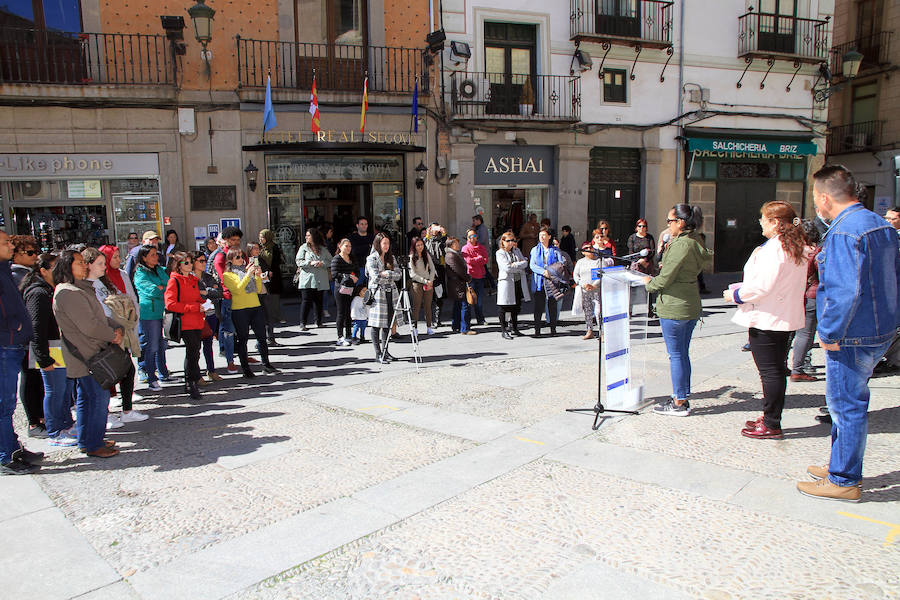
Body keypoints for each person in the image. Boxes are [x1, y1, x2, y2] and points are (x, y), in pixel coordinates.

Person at [796, 165, 900, 502]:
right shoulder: (879, 224)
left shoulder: (843, 233)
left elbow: (843, 291)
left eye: (815, 198)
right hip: (879, 329)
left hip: (852, 334)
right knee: (849, 402)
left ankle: (843, 480)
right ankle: (839, 464)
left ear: (825, 198)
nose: (815, 205)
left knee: (845, 406)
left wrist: (829, 332)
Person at [723, 201, 810, 439]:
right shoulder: (795, 246)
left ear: (774, 222)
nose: (760, 222)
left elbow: (762, 286)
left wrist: (735, 294)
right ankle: (770, 416)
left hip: (768, 318)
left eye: (763, 218)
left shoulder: (775, 248)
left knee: (771, 373)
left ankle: (772, 423)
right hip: (783, 316)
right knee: (776, 370)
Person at [52, 250, 122, 458]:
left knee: (88, 399)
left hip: (91, 352)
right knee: (97, 400)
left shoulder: (80, 288)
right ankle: (93, 443)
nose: (84, 266)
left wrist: (116, 327)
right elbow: (89, 326)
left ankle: (89, 439)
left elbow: (98, 317)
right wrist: (112, 335)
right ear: (67, 267)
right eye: (79, 263)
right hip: (87, 354)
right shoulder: (68, 293)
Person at [643, 204, 712, 416]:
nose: (668, 225)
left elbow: (666, 278)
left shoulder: (682, 244)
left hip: (675, 306)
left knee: (676, 355)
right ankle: (682, 396)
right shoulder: (695, 240)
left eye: (670, 221)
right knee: (682, 354)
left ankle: (679, 402)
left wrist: (648, 283)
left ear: (681, 222)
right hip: (688, 303)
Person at [84, 247, 146, 429]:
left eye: (105, 262)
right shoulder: (85, 285)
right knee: (104, 377)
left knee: (127, 370)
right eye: (100, 264)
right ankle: (106, 415)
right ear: (88, 265)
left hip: (117, 332)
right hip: (102, 336)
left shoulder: (103, 282)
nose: (104, 267)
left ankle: (127, 411)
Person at [22, 253, 77, 447]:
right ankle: (55, 431)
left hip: (59, 346)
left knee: (64, 390)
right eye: (54, 267)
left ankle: (66, 424)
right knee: (55, 391)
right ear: (43, 271)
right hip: (49, 350)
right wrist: (43, 359)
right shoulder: (38, 293)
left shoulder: (51, 290)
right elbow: (36, 328)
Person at [1, 229, 43, 474]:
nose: (10, 245)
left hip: (13, 343)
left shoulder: (5, 270)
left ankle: (12, 447)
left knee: (7, 405)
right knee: (3, 405)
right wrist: (10, 326)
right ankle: (6, 456)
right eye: (6, 242)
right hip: (5, 343)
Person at [223, 248, 280, 378]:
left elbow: (259, 289)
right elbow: (238, 290)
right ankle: (246, 369)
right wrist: (248, 275)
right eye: (237, 257)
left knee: (262, 338)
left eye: (241, 256)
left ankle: (266, 364)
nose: (241, 259)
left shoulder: (247, 271)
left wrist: (258, 276)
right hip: (240, 310)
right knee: (243, 339)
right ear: (231, 260)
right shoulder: (228, 275)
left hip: (255, 307)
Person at [10, 235, 44, 438]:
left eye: (35, 251)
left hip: (33, 334)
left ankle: (40, 417)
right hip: (23, 337)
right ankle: (33, 421)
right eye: (29, 252)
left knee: (38, 376)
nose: (35, 255)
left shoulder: (28, 273)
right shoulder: (14, 275)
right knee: (30, 376)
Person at [165, 251, 206, 399]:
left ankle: (192, 381)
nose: (189, 265)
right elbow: (170, 304)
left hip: (196, 320)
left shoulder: (192, 279)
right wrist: (193, 307)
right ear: (179, 265)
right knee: (192, 351)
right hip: (186, 321)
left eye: (190, 262)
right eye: (186, 262)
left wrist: (204, 303)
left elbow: (195, 298)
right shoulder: (174, 280)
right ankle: (190, 382)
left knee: (195, 351)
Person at [789, 221, 822, 382]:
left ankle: (784, 364)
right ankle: (798, 369)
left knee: (790, 332)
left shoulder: (791, 251)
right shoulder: (814, 253)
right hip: (811, 295)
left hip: (793, 295)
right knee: (806, 333)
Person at [133, 245, 169, 392]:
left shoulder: (159, 269)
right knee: (152, 346)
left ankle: (163, 374)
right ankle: (151, 378)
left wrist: (162, 287)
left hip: (163, 311)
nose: (156, 257)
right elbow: (152, 290)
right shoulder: (140, 272)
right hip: (149, 313)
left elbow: (169, 284)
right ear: (144, 257)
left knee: (162, 345)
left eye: (156, 254)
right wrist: (161, 288)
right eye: (152, 255)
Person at [365, 233, 401, 363]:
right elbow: (375, 277)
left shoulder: (391, 257)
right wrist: (386, 275)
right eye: (384, 243)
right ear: (378, 244)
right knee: (376, 325)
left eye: (388, 243)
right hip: (378, 294)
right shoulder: (371, 258)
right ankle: (378, 353)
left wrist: (386, 273)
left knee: (388, 324)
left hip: (391, 293)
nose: (386, 246)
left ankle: (385, 351)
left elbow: (399, 275)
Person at [212, 227, 243, 372]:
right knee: (229, 330)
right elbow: (224, 278)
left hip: (242, 295)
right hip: (228, 296)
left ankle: (243, 355)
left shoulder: (239, 254)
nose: (236, 242)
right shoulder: (220, 256)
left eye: (237, 240)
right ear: (226, 240)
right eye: (232, 240)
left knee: (241, 329)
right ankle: (230, 360)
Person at [190, 250, 223, 382]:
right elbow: (193, 294)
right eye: (201, 261)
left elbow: (218, 292)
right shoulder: (190, 277)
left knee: (208, 344)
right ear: (194, 262)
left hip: (211, 313)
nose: (204, 263)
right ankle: (197, 375)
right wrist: (208, 291)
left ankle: (211, 370)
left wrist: (205, 291)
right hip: (197, 315)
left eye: (205, 260)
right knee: (195, 347)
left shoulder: (208, 276)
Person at [295, 227, 332, 331]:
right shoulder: (303, 248)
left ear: (314, 236)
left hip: (320, 279)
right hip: (308, 279)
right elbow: (298, 261)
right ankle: (303, 323)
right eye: (306, 235)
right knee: (306, 300)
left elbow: (331, 260)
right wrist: (309, 263)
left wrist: (322, 263)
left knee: (319, 301)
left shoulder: (323, 248)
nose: (306, 237)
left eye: (308, 235)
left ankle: (319, 321)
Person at [529, 226, 563, 337]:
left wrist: (551, 271)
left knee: (552, 305)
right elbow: (532, 265)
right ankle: (537, 330)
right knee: (538, 306)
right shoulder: (535, 250)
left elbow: (560, 264)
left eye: (544, 235)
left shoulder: (555, 250)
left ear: (549, 236)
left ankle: (553, 329)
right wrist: (543, 271)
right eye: (540, 235)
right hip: (539, 281)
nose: (542, 237)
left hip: (552, 281)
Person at [496, 232, 529, 339]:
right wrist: (518, 265)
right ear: (503, 242)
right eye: (508, 241)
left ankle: (514, 328)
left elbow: (525, 262)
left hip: (517, 281)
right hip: (506, 282)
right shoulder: (500, 253)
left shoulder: (516, 250)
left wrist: (516, 265)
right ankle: (503, 330)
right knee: (504, 306)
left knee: (516, 306)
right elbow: (507, 268)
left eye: (513, 240)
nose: (511, 243)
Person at [572, 243, 605, 340]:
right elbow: (576, 275)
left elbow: (602, 274)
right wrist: (582, 284)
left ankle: (602, 332)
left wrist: (594, 285)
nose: (589, 249)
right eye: (586, 248)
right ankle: (589, 330)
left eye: (590, 247)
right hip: (584, 290)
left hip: (596, 290)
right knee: (587, 311)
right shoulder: (580, 262)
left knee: (598, 312)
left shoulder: (598, 261)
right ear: (582, 252)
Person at [331, 238, 359, 346]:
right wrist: (348, 276)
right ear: (340, 246)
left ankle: (348, 334)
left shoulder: (352, 257)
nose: (348, 248)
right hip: (340, 289)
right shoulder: (336, 259)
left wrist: (356, 277)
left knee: (349, 312)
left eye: (350, 246)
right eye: (346, 246)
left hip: (351, 288)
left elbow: (357, 270)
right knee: (341, 312)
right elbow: (334, 274)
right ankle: (340, 337)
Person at [444, 237, 473, 334]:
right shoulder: (450, 255)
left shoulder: (454, 254)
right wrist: (468, 278)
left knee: (458, 305)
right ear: (451, 245)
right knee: (465, 305)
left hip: (457, 283)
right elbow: (458, 270)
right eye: (456, 243)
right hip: (457, 284)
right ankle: (465, 328)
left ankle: (456, 325)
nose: (458, 245)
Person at [461, 229, 489, 327]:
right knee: (470, 300)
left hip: (480, 276)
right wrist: (479, 258)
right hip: (471, 277)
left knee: (479, 300)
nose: (473, 238)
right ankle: (467, 322)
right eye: (470, 236)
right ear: (467, 238)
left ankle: (480, 319)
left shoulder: (481, 247)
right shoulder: (465, 248)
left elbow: (485, 259)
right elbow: (468, 261)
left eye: (474, 236)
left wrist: (476, 260)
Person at [409, 237, 436, 334]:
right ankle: (414, 328)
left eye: (421, 245)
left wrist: (431, 281)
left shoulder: (426, 254)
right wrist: (425, 281)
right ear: (414, 246)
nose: (420, 247)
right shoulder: (411, 257)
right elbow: (412, 274)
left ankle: (429, 327)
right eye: (418, 245)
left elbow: (433, 268)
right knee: (416, 306)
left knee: (428, 306)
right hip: (417, 284)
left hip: (428, 283)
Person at [258, 229, 285, 327]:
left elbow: (277, 261)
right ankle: (266, 316)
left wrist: (270, 271)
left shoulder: (275, 247)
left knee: (274, 297)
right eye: (260, 237)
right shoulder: (259, 247)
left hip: (273, 275)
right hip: (261, 274)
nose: (261, 239)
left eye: (263, 237)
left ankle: (276, 316)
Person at [423, 223, 448, 328]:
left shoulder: (442, 240)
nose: (435, 230)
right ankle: (429, 318)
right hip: (429, 270)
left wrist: (444, 234)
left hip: (439, 269)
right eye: (433, 228)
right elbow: (424, 248)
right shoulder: (426, 240)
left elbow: (446, 247)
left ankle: (437, 319)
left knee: (439, 294)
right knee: (429, 295)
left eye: (437, 228)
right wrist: (427, 235)